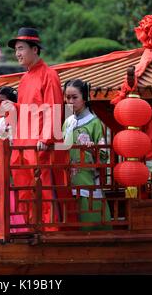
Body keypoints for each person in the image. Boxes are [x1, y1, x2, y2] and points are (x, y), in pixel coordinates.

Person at [2, 28, 75, 230]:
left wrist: (47, 138)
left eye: (21, 49)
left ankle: (51, 229)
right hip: (24, 143)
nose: (17, 53)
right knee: (25, 188)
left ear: (35, 49)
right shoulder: (25, 78)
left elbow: (54, 107)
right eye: (16, 49)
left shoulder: (49, 75)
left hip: (41, 145)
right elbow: (27, 110)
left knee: (44, 188)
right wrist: (13, 108)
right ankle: (30, 226)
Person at [62, 79, 112, 230]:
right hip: (68, 177)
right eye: (67, 97)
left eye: (74, 97)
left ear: (85, 97)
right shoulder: (68, 121)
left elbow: (104, 154)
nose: (70, 101)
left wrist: (93, 149)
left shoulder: (95, 122)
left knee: (91, 217)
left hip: (87, 177)